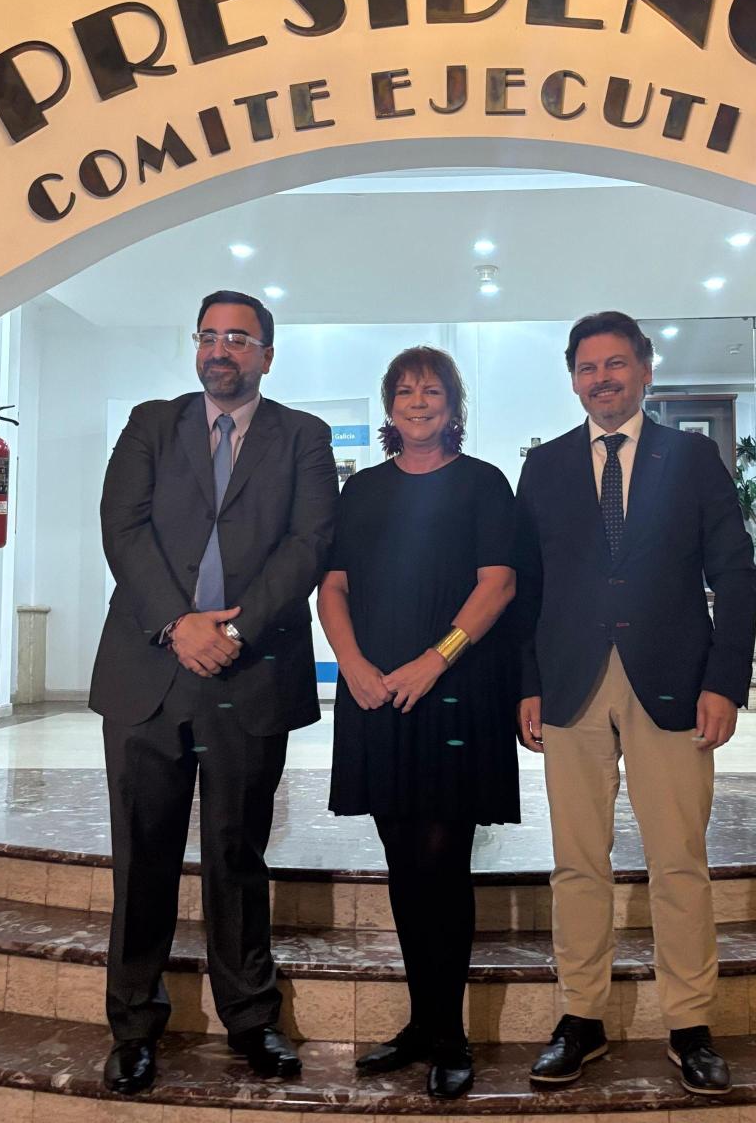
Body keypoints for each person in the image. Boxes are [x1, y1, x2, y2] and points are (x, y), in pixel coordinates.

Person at [90, 290, 337, 1093]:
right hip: (149, 669)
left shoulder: (303, 436)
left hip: (249, 670)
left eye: (238, 338)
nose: (220, 349)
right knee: (143, 855)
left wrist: (235, 629)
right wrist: (178, 623)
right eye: (209, 335)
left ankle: (251, 1017)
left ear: (267, 354)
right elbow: (122, 527)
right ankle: (133, 1024)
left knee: (236, 850)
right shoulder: (150, 424)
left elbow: (309, 542)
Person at [513, 311, 756, 1096]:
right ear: (572, 379)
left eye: (615, 363)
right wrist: (527, 682)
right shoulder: (543, 465)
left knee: (678, 859)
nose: (602, 379)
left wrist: (724, 680)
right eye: (587, 367)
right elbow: (526, 586)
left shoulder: (691, 457)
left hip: (674, 683)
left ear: (645, 370)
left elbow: (735, 572)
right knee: (576, 861)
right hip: (570, 682)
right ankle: (580, 1015)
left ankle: (688, 1022)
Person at [318, 346, 520, 1100]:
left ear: (453, 404)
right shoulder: (362, 489)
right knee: (402, 859)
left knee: (443, 860)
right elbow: (332, 587)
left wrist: (435, 660)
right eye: (404, 391)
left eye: (431, 390)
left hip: (455, 692)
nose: (418, 401)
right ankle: (420, 1022)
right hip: (375, 692)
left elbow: (497, 585)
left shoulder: (483, 483)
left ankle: (449, 1033)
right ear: (389, 406)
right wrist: (352, 665)